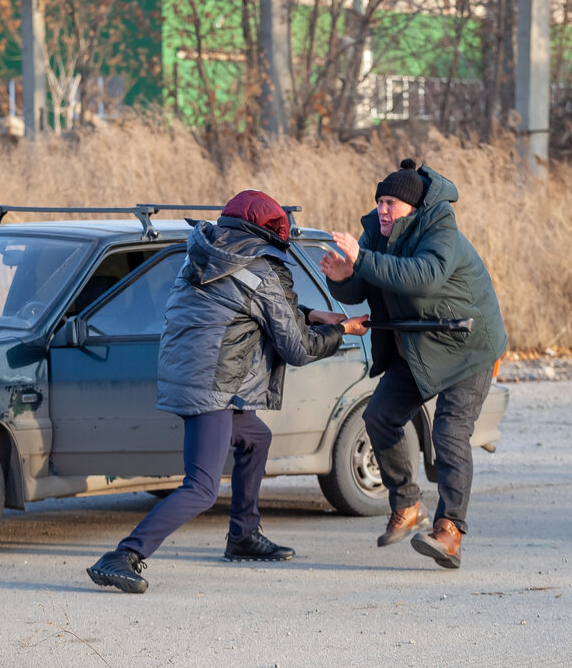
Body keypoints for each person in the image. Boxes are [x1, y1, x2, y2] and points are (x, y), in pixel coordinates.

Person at [87, 190, 368, 593]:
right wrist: (341, 329)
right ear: (270, 233)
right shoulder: (261, 268)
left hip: (188, 374)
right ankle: (123, 555)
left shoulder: (206, 253)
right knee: (201, 488)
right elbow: (299, 347)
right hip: (213, 387)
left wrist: (311, 314)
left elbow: (239, 304)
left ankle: (243, 536)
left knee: (256, 437)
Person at [319, 159, 506, 569]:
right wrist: (343, 276)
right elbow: (364, 285)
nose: (383, 210)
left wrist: (363, 261)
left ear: (413, 207)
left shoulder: (440, 228)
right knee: (380, 415)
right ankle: (407, 505)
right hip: (420, 343)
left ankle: (450, 531)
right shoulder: (377, 234)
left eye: (392, 203)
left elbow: (424, 277)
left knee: (449, 433)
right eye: (380, 201)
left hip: (467, 343)